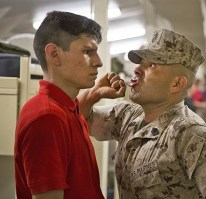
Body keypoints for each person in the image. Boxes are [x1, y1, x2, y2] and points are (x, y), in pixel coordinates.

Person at [79, 28, 206, 199]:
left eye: (151, 65)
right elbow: (76, 120)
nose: (137, 70)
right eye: (140, 63)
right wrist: (93, 94)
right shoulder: (127, 116)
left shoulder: (191, 135)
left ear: (176, 84)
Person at [14, 11, 125, 199]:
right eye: (87, 52)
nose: (98, 62)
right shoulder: (47, 118)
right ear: (54, 54)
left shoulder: (65, 108)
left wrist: (94, 93)